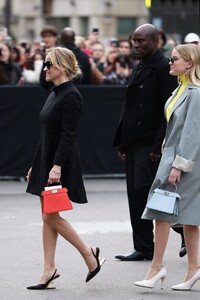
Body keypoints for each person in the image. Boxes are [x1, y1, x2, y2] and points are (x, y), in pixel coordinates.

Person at [26, 47, 105, 289]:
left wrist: (56, 166)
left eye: (49, 64)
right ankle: (49, 269)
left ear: (62, 66)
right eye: (45, 64)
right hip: (46, 160)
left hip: (60, 162)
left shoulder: (71, 95)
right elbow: (46, 134)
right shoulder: (54, 92)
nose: (45, 68)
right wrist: (36, 164)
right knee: (48, 216)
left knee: (50, 215)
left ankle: (88, 255)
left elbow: (67, 136)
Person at [113, 23, 185, 262]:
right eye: (134, 40)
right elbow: (131, 106)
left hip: (150, 143)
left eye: (141, 41)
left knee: (145, 189)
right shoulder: (141, 65)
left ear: (156, 41)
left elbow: (169, 111)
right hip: (134, 142)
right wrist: (123, 140)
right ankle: (143, 247)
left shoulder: (165, 67)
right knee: (135, 194)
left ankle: (183, 227)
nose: (136, 45)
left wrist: (158, 146)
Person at [134, 43, 200, 291]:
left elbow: (193, 134)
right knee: (190, 216)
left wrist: (179, 166)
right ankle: (194, 269)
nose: (169, 63)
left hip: (181, 161)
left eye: (174, 59)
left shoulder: (194, 92)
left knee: (160, 211)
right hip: (174, 158)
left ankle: (156, 267)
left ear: (189, 63)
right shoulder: (180, 90)